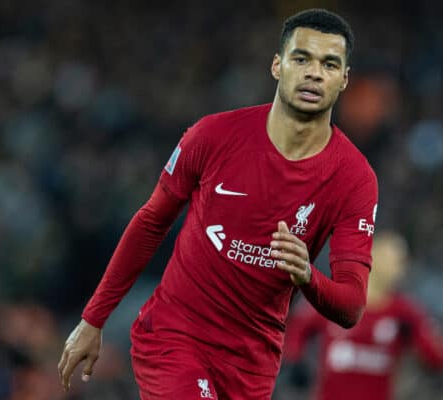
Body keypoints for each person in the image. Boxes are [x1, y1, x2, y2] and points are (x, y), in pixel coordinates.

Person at [58, 8, 378, 399]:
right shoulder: (213, 135)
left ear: (344, 79)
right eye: (301, 58)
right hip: (175, 336)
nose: (314, 72)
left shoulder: (354, 179)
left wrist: (308, 276)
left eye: (329, 64)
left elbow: (351, 305)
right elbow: (151, 222)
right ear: (277, 65)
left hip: (251, 365)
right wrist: (93, 319)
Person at [283, 231, 443, 400]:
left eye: (402, 262)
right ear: (373, 257)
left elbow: (437, 357)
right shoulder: (336, 299)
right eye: (394, 260)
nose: (400, 268)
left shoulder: (406, 312)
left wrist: (426, 337)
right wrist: (297, 365)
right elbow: (295, 331)